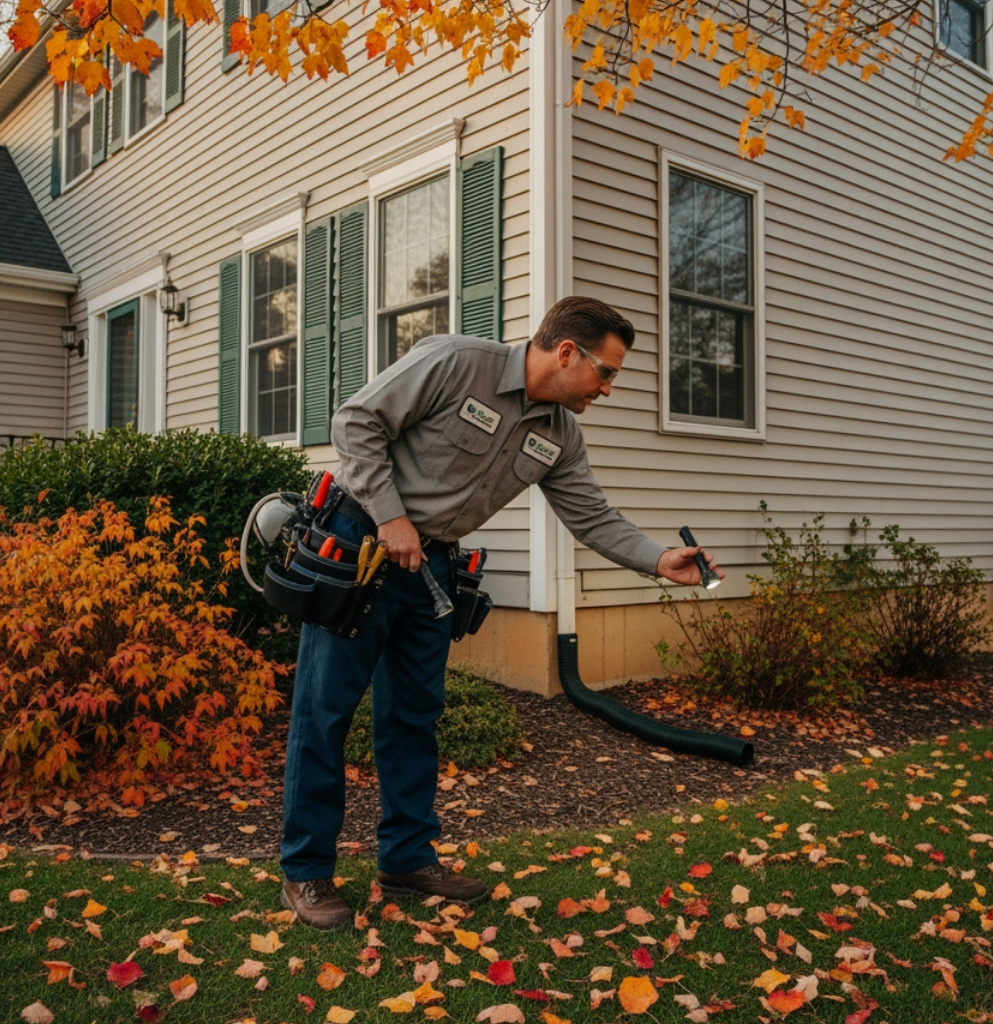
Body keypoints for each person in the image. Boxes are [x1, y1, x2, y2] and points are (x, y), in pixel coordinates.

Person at [279, 296, 724, 928]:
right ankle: (306, 873)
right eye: (607, 372)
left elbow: (592, 515)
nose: (608, 388)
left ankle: (405, 857)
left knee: (414, 717)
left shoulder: (559, 435)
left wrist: (659, 560)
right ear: (567, 352)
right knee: (324, 712)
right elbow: (356, 422)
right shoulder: (459, 363)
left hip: (432, 569)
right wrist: (391, 517)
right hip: (363, 547)